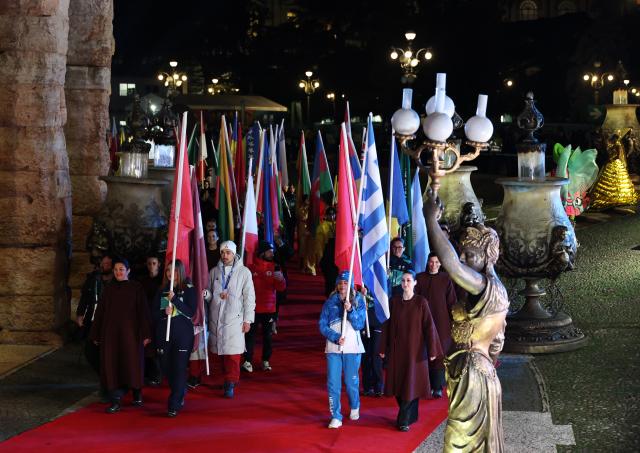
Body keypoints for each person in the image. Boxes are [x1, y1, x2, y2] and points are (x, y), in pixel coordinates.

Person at [424, 190, 510, 452]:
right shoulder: (495, 293)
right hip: (476, 372)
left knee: (457, 444)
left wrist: (430, 221)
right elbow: (497, 342)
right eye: (462, 253)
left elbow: (452, 266)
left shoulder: (487, 287)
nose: (463, 258)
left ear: (486, 257)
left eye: (469, 255)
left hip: (473, 374)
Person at [380, 270, 443, 432]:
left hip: (415, 352)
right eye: (403, 281)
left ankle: (403, 420)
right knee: (399, 387)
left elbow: (429, 327)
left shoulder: (421, 302)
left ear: (415, 283)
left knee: (411, 383)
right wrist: (382, 348)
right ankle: (411, 415)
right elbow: (386, 326)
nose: (405, 284)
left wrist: (433, 350)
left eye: (409, 280)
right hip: (397, 352)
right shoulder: (394, 302)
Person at [89, 257, 151, 414]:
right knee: (113, 366)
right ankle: (115, 399)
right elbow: (101, 313)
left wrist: (146, 333)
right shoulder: (109, 289)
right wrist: (96, 334)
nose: (118, 272)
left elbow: (143, 312)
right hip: (111, 335)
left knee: (132, 364)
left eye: (121, 269)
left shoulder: (136, 288)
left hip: (131, 334)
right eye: (116, 270)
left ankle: (137, 393)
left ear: (128, 271)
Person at [206, 240, 256, 398]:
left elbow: (249, 297)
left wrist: (248, 319)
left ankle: (231, 382)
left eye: (228, 253)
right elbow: (208, 291)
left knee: (232, 354)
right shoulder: (214, 271)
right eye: (222, 252)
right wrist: (207, 295)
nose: (225, 255)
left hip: (234, 319)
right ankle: (222, 379)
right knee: (219, 352)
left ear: (234, 254)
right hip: (216, 317)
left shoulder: (244, 272)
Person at [318, 271, 366, 429]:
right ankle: (336, 415)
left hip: (352, 347)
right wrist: (334, 336)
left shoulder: (358, 300)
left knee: (351, 382)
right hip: (333, 348)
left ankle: (354, 405)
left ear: (351, 284)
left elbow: (360, 325)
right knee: (333, 383)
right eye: (340, 283)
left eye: (346, 283)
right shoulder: (330, 302)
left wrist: (351, 309)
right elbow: (322, 325)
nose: (342, 286)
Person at [154, 260, 196, 417]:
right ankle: (180, 390)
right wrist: (163, 312)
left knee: (178, 369)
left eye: (174, 271)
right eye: (168, 271)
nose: (171, 274)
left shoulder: (189, 289)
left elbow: (191, 312)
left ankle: (174, 404)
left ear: (180, 272)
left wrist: (175, 300)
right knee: (167, 368)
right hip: (165, 335)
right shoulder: (163, 290)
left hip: (183, 335)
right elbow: (154, 314)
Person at [415, 252, 457, 398]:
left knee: (439, 354)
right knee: (423, 353)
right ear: (427, 263)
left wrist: (454, 321)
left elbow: (451, 302)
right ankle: (424, 385)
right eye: (431, 262)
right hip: (423, 321)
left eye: (436, 262)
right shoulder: (420, 278)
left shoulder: (446, 279)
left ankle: (438, 386)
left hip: (442, 323)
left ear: (440, 264)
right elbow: (415, 300)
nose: (433, 265)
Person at [243, 241, 286, 372]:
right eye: (269, 251)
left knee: (267, 336)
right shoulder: (251, 267)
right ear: (262, 252)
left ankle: (265, 360)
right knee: (250, 335)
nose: (272, 253)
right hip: (253, 308)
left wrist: (281, 280)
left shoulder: (275, 267)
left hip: (269, 309)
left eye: (272, 251)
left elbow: (281, 288)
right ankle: (247, 360)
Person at [138, 254, 164, 385]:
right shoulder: (143, 281)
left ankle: (158, 374)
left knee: (157, 346)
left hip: (159, 317)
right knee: (147, 346)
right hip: (146, 316)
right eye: (149, 263)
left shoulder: (163, 281)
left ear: (159, 264)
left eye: (154, 263)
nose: (151, 266)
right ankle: (149, 374)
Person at [361, 289, 384, 397]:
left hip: (379, 319)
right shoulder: (360, 278)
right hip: (364, 319)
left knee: (376, 353)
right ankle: (367, 386)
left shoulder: (383, 274)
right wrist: (360, 300)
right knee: (365, 354)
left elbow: (386, 293)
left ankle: (378, 387)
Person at [316, 207, 338, 296]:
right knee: (329, 278)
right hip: (326, 254)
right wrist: (320, 257)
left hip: (336, 255)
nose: (332, 216)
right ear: (326, 215)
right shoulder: (322, 226)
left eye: (333, 214)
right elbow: (319, 244)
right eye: (330, 214)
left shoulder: (338, 225)